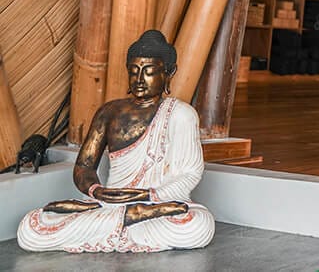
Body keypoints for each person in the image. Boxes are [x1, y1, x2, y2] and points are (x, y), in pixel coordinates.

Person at [17, 30, 215, 253]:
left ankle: (127, 217)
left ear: (169, 73)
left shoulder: (181, 114)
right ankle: (128, 216)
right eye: (134, 71)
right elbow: (84, 167)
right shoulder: (109, 112)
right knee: (31, 228)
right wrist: (96, 191)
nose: (140, 79)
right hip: (110, 203)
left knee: (198, 225)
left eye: (149, 72)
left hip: (157, 204)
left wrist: (145, 195)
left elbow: (190, 174)